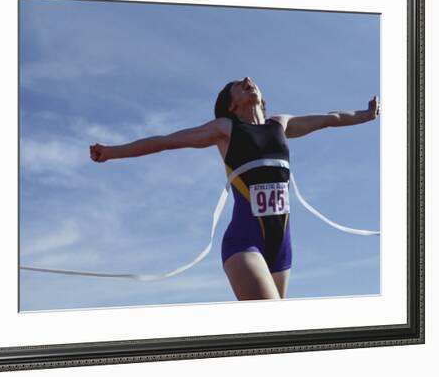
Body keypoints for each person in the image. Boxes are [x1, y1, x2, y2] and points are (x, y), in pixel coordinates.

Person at [89, 76, 380, 301]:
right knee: (275, 330)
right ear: (232, 106)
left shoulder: (280, 123)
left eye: (250, 83)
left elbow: (331, 118)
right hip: (244, 243)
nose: (247, 81)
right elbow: (165, 141)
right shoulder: (225, 129)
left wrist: (366, 115)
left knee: (279, 342)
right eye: (239, 87)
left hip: (282, 244)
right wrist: (112, 152)